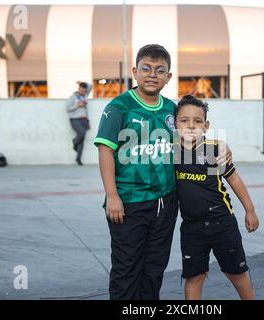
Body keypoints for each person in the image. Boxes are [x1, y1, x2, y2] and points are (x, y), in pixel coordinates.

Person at [94, 44, 231, 300]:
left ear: (168, 77)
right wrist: (111, 194)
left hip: (166, 202)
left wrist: (220, 145)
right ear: (135, 71)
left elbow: (193, 139)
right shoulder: (119, 107)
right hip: (129, 202)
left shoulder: (171, 110)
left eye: (160, 70)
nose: (152, 74)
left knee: (154, 269)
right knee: (127, 269)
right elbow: (105, 151)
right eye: (146, 68)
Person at [174, 95, 259, 300]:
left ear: (206, 125)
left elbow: (234, 180)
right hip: (191, 227)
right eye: (184, 120)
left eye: (198, 121)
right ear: (175, 124)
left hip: (222, 223)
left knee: (236, 272)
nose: (191, 126)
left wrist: (250, 209)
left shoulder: (214, 150)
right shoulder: (172, 152)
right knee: (194, 276)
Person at [66, 81, 93, 165]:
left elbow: (91, 85)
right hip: (75, 119)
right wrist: (78, 105)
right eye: (81, 90)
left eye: (84, 90)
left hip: (84, 119)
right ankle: (74, 142)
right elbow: (68, 108)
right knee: (82, 133)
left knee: (82, 140)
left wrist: (81, 82)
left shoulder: (85, 95)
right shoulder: (72, 97)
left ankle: (78, 159)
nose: (83, 92)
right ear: (78, 89)